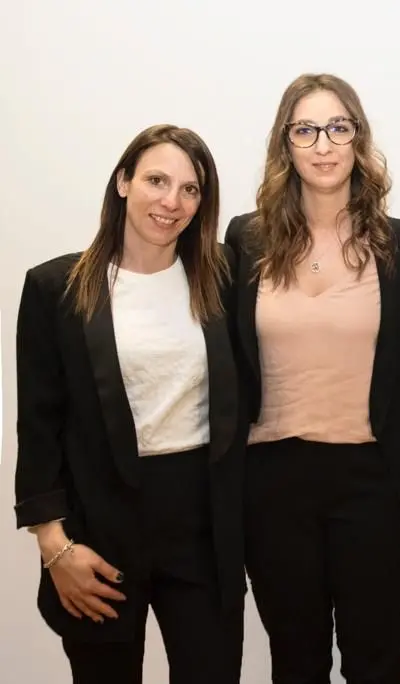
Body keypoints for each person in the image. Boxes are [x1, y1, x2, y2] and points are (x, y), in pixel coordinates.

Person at [14, 124, 245, 684]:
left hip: (202, 525)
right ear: (123, 182)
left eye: (190, 189)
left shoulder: (223, 275)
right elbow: (39, 426)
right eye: (156, 181)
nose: (172, 202)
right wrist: (54, 546)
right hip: (100, 527)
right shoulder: (55, 287)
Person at [223, 73, 400, 684]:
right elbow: (217, 353)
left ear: (358, 138)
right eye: (306, 130)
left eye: (338, 128)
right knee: (296, 662)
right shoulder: (246, 238)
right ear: (285, 143)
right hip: (271, 482)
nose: (323, 144)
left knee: (374, 664)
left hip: (372, 481)